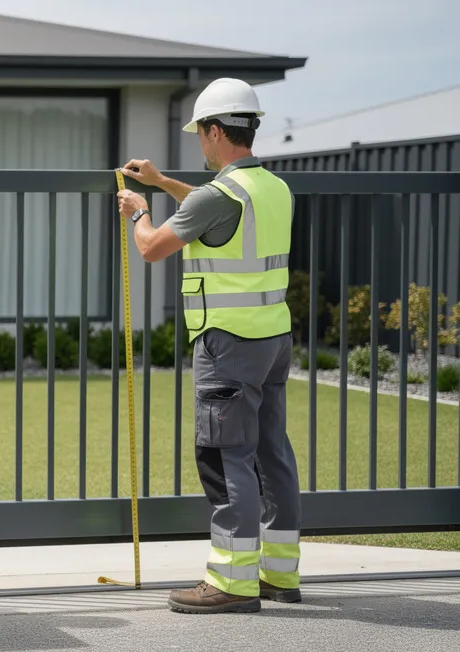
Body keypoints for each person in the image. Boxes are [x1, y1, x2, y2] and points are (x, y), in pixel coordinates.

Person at [115, 78, 302, 614]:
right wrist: (160, 182)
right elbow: (205, 207)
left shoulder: (220, 196)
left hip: (228, 342)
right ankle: (279, 576)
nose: (199, 140)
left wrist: (138, 209)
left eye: (201, 132)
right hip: (273, 336)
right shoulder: (271, 187)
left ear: (216, 131)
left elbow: (152, 248)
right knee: (272, 452)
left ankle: (231, 581)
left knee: (226, 455)